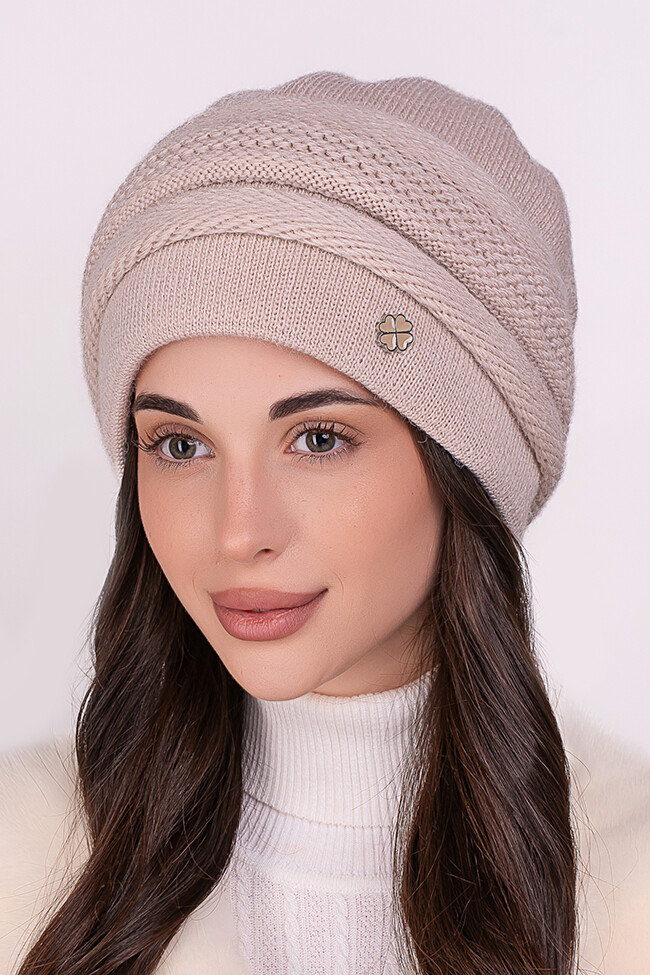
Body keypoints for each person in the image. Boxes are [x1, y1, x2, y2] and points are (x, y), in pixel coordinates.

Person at [0, 70, 648, 975]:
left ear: (466, 468)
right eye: (181, 445)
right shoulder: (22, 865)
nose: (239, 533)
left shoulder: (629, 893)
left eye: (319, 438)